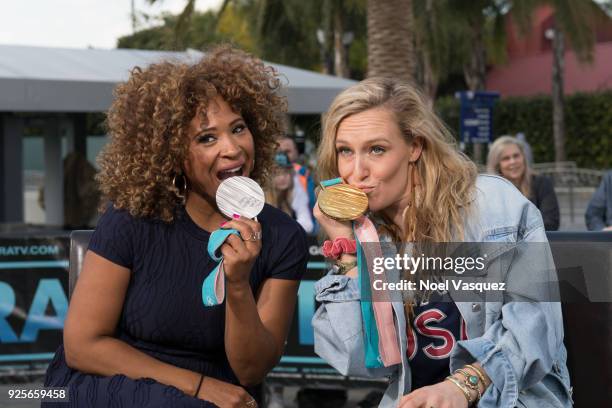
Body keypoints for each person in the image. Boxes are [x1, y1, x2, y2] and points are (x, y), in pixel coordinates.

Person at [43, 46, 308, 408]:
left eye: (239, 128)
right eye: (207, 138)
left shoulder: (282, 237)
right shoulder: (132, 219)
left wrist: (238, 283)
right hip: (107, 382)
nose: (232, 148)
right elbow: (83, 346)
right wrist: (198, 386)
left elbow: (250, 371)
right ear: (172, 153)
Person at [312, 78, 571, 407]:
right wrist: (348, 251)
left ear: (415, 147)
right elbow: (359, 360)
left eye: (376, 149)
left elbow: (537, 323)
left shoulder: (493, 205)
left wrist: (462, 386)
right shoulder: (366, 235)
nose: (356, 171)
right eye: (345, 151)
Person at [487, 135, 560, 231]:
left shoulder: (542, 183)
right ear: (497, 165)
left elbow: (551, 223)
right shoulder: (488, 192)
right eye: (506, 158)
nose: (512, 161)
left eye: (516, 156)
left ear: (524, 158)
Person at [266, 151, 314, 233]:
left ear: (291, 174)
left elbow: (308, 224)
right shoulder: (263, 195)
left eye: (285, 173)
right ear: (269, 176)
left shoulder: (296, 188)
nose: (282, 178)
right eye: (277, 174)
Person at [278, 136, 317, 213]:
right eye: (279, 152)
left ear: (296, 152)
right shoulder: (266, 178)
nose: (283, 156)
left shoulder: (310, 174)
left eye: (287, 152)